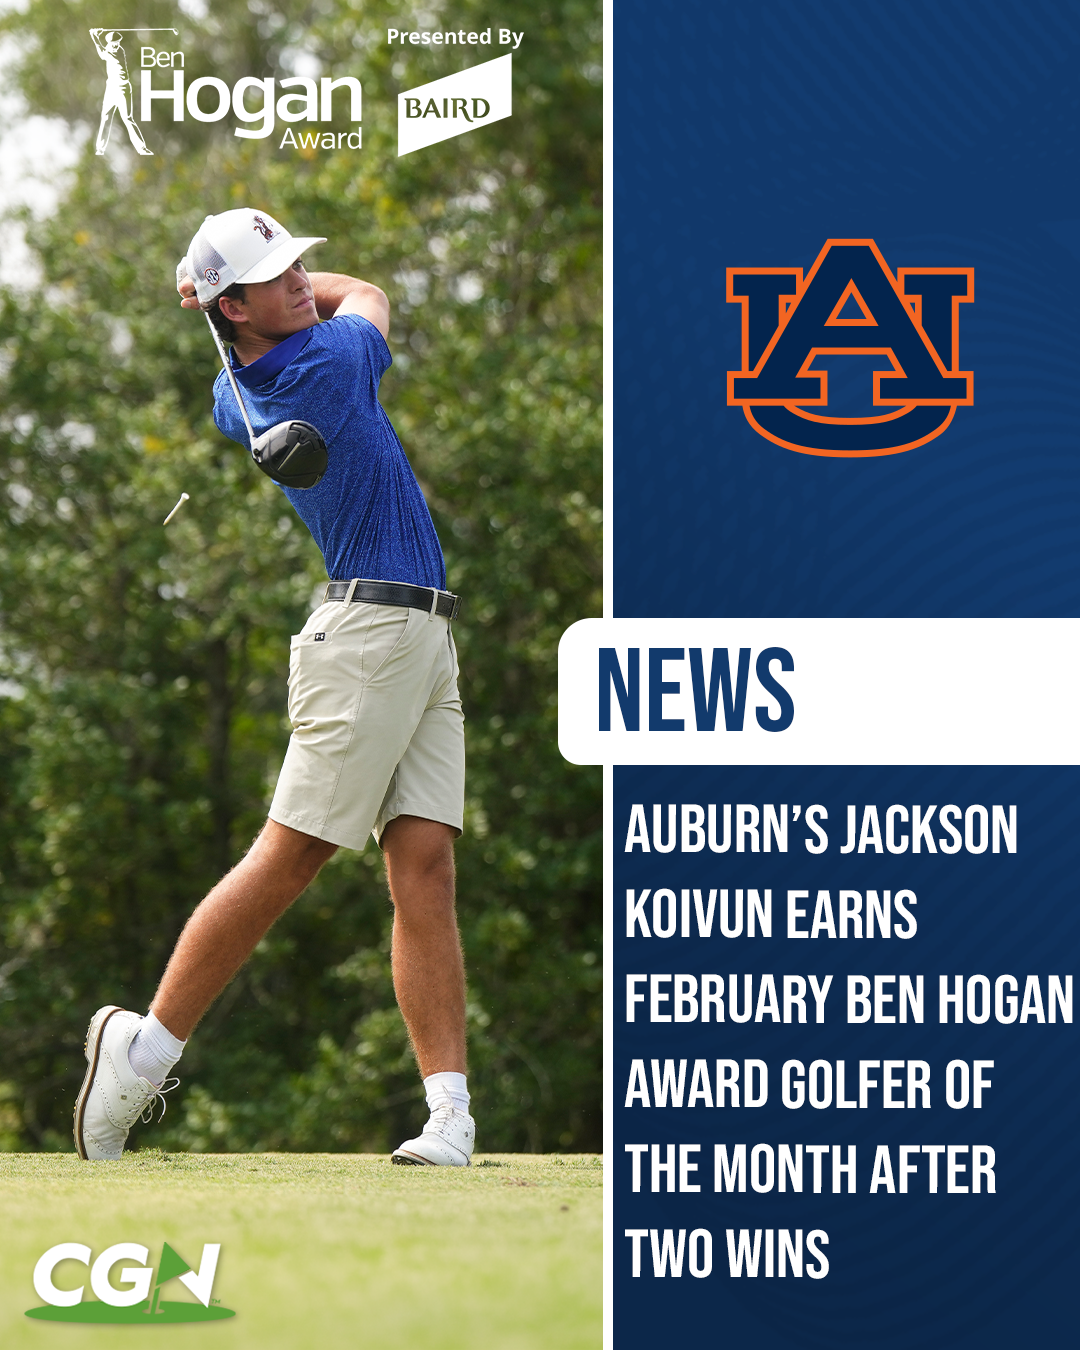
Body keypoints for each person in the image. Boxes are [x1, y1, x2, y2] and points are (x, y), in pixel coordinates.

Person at [74, 208, 474, 1167]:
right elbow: (370, 295)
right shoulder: (329, 364)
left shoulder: (237, 387)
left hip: (421, 634)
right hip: (370, 636)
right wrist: (283, 293)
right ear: (236, 306)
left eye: (301, 264)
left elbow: (294, 309)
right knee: (290, 857)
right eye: (277, 274)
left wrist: (231, 294)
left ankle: (448, 1115)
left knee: (424, 867)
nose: (303, 281)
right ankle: (143, 1051)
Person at [89, 29, 153, 157]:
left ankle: (141, 148)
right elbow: (103, 49)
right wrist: (96, 36)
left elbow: (101, 51)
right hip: (111, 89)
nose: (116, 45)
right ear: (109, 42)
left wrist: (94, 36)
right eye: (113, 43)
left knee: (128, 119)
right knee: (106, 118)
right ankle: (100, 149)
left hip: (122, 89)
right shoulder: (110, 49)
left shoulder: (117, 52)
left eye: (117, 42)